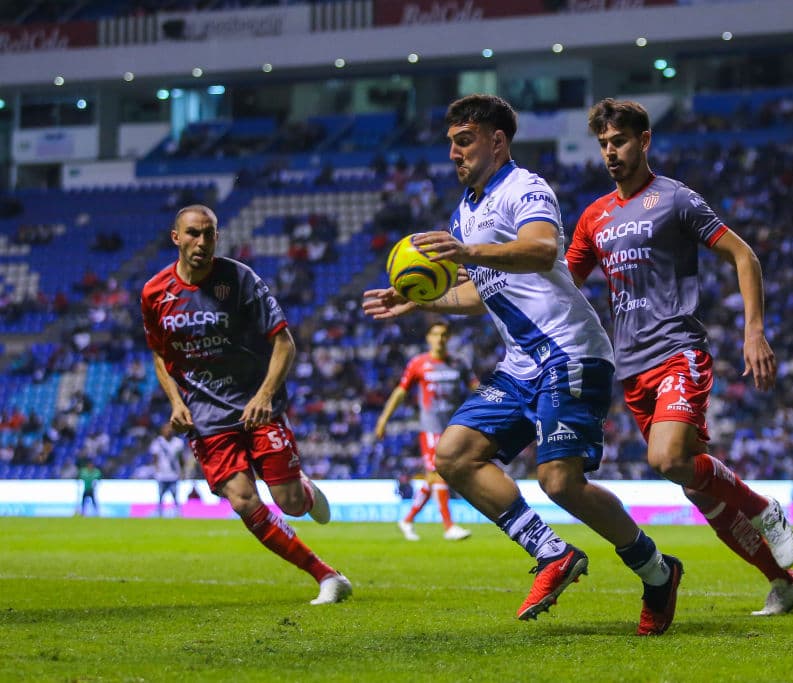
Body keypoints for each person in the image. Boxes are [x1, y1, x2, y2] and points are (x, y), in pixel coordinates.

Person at [363, 94, 682, 636]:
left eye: (465, 141)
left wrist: (466, 255)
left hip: (570, 350)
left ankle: (656, 571)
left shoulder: (525, 188)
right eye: (451, 144)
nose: (455, 154)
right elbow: (480, 294)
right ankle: (551, 552)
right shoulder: (465, 209)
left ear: (497, 140)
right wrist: (419, 302)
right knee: (453, 455)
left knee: (559, 482)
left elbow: (539, 250)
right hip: (522, 364)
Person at [565, 98, 793, 617]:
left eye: (620, 141)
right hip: (631, 368)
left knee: (667, 459)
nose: (611, 152)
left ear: (644, 140)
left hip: (678, 351)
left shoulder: (674, 199)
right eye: (604, 144)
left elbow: (743, 254)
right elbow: (564, 285)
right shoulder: (593, 217)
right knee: (699, 490)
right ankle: (784, 582)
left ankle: (764, 508)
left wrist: (754, 331)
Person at [141, 204, 351, 605]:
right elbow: (158, 353)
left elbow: (284, 343)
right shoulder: (155, 293)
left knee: (289, 503)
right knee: (242, 499)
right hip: (206, 417)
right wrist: (175, 402)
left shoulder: (240, 279)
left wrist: (264, 395)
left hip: (257, 407)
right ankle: (326, 575)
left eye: (208, 234)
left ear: (217, 237)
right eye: (192, 234)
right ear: (176, 238)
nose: (201, 242)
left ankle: (304, 490)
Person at [375, 321, 475, 541]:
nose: (439, 339)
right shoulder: (418, 363)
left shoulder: (459, 363)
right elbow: (400, 392)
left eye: (444, 335)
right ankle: (449, 526)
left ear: (449, 338)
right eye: (435, 334)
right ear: (428, 338)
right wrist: (384, 418)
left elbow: (476, 389)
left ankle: (407, 520)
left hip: (453, 429)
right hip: (431, 429)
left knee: (432, 479)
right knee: (439, 474)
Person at [150, 422, 187, 517]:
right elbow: (155, 459)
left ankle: (178, 513)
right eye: (166, 429)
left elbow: (181, 459)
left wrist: (182, 472)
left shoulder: (178, 443)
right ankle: (159, 513)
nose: (169, 431)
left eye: (170, 429)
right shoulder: (157, 442)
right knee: (160, 496)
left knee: (175, 496)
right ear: (162, 430)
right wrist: (156, 471)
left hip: (174, 475)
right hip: (162, 475)